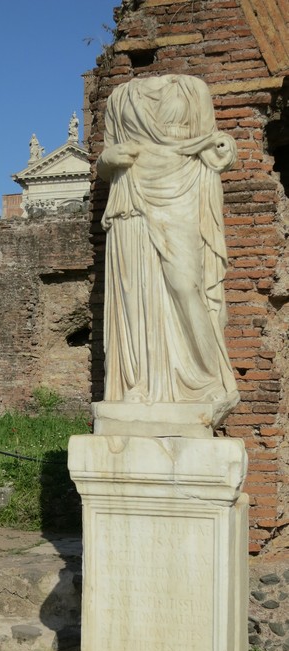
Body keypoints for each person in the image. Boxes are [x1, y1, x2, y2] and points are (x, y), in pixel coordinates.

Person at [97, 74, 239, 408]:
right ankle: (139, 385)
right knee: (136, 292)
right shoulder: (119, 96)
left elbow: (212, 144)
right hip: (131, 189)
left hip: (182, 185)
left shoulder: (193, 88)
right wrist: (108, 159)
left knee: (185, 285)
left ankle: (209, 380)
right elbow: (105, 158)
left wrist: (225, 148)